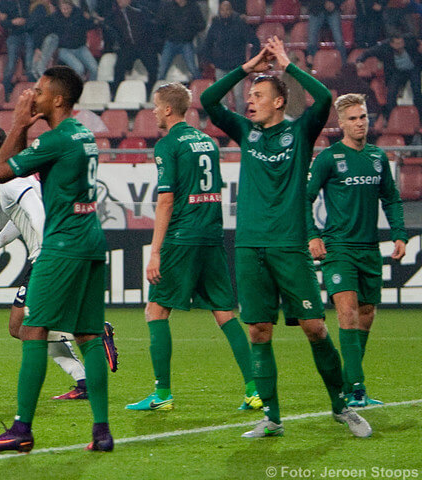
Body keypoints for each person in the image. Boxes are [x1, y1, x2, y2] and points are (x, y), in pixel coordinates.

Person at [201, 36, 370, 439]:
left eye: (258, 95)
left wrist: (286, 64)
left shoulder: (301, 131)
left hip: (289, 246)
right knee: (259, 330)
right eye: (249, 95)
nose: (250, 101)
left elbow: (323, 98)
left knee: (314, 326)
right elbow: (209, 101)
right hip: (248, 246)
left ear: (280, 101)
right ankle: (272, 418)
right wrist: (247, 68)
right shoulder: (246, 132)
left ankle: (342, 407)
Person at [0, 66, 113, 453]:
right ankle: (101, 432)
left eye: (38, 90)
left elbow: (1, 170)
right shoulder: (83, 134)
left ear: (56, 99)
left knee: (32, 330)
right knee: (87, 335)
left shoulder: (57, 139)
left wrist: (19, 124)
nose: (30, 95)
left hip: (63, 245)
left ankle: (21, 429)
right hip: (91, 241)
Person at [126, 82, 261, 412]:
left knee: (155, 311)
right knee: (225, 313)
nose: (154, 111)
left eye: (157, 106)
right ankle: (254, 389)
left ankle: (162, 394)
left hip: (182, 237)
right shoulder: (209, 142)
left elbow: (167, 199)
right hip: (212, 235)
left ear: (169, 109)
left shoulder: (168, 145)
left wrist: (155, 250)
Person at [0, 124, 118, 401]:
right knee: (26, 329)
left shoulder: (12, 179)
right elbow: (21, 219)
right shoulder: (16, 176)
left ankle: (96, 332)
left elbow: (37, 215)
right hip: (50, 253)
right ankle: (83, 381)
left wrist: (50, 253)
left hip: (48, 257)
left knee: (24, 328)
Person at [305, 93, 407, 408]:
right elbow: (303, 199)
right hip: (338, 247)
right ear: (341, 122)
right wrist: (313, 236)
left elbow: (390, 198)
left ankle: (348, 383)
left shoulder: (378, 158)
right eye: (353, 118)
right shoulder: (328, 158)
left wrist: (399, 235)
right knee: (347, 313)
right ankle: (358, 388)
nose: (360, 123)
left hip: (368, 248)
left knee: (366, 314)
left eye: (363, 117)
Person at [200, 1, 260, 111]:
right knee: (222, 97)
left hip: (237, 66)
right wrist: (211, 61)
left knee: (238, 96)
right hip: (220, 66)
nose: (225, 12)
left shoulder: (240, 23)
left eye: (227, 9)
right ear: (219, 11)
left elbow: (255, 42)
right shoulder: (216, 24)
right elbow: (207, 44)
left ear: (231, 10)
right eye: (223, 10)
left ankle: (240, 122)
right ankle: (227, 122)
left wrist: (251, 60)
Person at [356, 36, 422, 131]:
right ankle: (390, 118)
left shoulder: (410, 42)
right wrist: (360, 60)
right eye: (397, 44)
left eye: (401, 43)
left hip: (413, 69)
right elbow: (368, 52)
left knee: (417, 90)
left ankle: (420, 119)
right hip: (397, 72)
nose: (400, 46)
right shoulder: (384, 47)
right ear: (391, 44)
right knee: (391, 94)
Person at [106, 0, 158, 93]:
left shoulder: (141, 9)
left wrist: (151, 42)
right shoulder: (115, 13)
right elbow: (110, 27)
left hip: (144, 45)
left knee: (153, 68)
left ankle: (151, 92)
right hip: (128, 46)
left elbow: (152, 25)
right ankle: (116, 93)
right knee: (118, 68)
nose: (119, 2)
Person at [154, 0, 204, 81]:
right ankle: (158, 90)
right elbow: (160, 23)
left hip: (186, 42)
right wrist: (165, 35)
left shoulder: (193, 6)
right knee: (161, 71)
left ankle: (202, 88)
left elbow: (201, 24)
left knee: (193, 68)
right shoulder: (167, 6)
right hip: (170, 42)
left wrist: (190, 31)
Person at [51, 0, 99, 81]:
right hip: (64, 49)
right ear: (60, 7)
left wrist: (93, 19)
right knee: (79, 68)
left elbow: (89, 25)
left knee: (94, 68)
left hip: (80, 47)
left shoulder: (79, 13)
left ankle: (91, 87)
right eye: (63, 8)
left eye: (68, 8)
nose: (65, 10)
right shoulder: (54, 17)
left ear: (71, 6)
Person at [0, 0, 33, 92]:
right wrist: (13, 22)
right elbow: (3, 23)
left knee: (29, 65)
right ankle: (4, 92)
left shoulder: (27, 2)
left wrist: (26, 22)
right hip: (14, 34)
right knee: (11, 65)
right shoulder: (6, 3)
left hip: (28, 33)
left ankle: (31, 91)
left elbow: (34, 16)